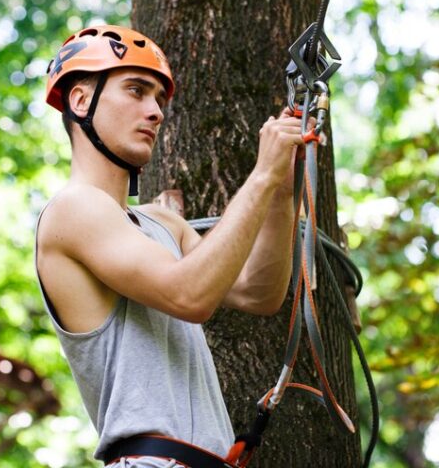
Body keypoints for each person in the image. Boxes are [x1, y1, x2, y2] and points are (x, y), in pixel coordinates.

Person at [34, 24, 306, 467]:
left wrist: (279, 191)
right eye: (137, 91)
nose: (156, 111)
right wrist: (261, 175)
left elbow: (259, 292)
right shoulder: (71, 210)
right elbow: (190, 295)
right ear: (81, 100)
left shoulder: (162, 223)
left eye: (158, 98)